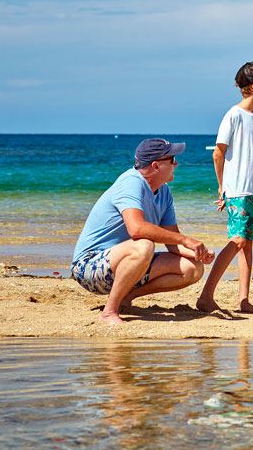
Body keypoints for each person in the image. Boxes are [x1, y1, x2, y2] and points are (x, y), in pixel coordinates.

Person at [71, 138, 215, 325]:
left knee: (193, 269)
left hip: (126, 263)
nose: (176, 164)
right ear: (156, 166)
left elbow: (173, 244)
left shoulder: (164, 192)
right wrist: (186, 240)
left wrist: (198, 253)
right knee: (144, 244)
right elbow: (137, 229)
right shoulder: (131, 182)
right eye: (172, 160)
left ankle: (127, 296)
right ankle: (109, 312)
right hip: (89, 267)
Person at [197, 61, 253, 314]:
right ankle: (206, 296)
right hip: (239, 189)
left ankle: (244, 301)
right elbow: (218, 154)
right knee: (237, 241)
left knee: (248, 244)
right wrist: (222, 188)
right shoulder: (233, 115)